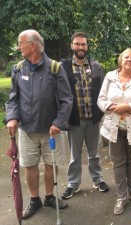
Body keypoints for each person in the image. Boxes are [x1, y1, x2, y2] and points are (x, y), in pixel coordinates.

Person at [5, 29, 73, 219]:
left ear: (32, 45)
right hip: (27, 130)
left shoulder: (54, 68)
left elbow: (67, 98)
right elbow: (13, 99)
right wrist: (12, 117)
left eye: (21, 43)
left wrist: (59, 122)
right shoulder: (19, 68)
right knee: (30, 165)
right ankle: (35, 199)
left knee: (51, 165)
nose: (19, 47)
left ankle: (50, 197)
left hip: (52, 130)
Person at [98, 48, 131, 215]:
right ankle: (122, 196)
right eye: (126, 57)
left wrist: (128, 107)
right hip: (113, 128)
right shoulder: (109, 77)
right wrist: (115, 108)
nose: (129, 59)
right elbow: (101, 100)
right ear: (121, 60)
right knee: (118, 163)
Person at [61, 32, 109, 200]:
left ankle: (98, 180)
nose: (81, 47)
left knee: (94, 153)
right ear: (72, 46)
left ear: (87, 47)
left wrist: (101, 113)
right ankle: (73, 184)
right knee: (75, 156)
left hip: (93, 119)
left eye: (83, 44)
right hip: (75, 120)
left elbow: (104, 92)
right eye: (77, 44)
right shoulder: (64, 67)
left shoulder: (96, 66)